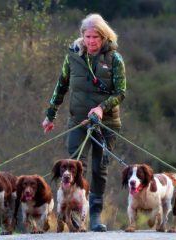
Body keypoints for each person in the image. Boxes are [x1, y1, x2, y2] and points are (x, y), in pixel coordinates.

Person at [42, 13, 126, 232]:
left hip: (106, 123)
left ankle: (95, 215)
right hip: (78, 121)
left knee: (100, 168)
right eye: (88, 36)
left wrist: (101, 108)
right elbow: (61, 85)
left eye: (96, 37)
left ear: (104, 37)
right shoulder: (73, 57)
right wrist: (50, 115)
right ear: (82, 36)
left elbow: (121, 93)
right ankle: (74, 212)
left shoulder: (115, 60)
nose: (91, 41)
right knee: (76, 164)